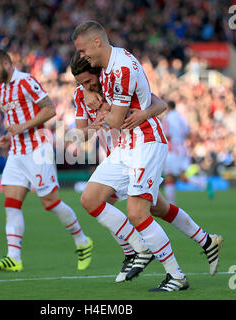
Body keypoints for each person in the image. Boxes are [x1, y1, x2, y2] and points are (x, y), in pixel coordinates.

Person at [71, 52, 224, 284]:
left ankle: (147, 258)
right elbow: (80, 135)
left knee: (134, 211)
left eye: (88, 81)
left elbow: (158, 103)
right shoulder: (81, 94)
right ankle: (206, 241)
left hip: (142, 147)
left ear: (98, 73)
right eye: (80, 83)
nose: (85, 85)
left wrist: (133, 113)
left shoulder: (115, 80)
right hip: (120, 155)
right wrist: (91, 106)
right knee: (154, 208)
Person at [0, 49, 93, 272]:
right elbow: (14, 118)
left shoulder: (26, 81)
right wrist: (10, 135)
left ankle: (82, 241)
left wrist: (22, 127)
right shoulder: (2, 88)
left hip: (38, 149)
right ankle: (14, 258)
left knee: (50, 202)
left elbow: (49, 109)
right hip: (17, 151)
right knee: (11, 204)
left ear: (6, 63)